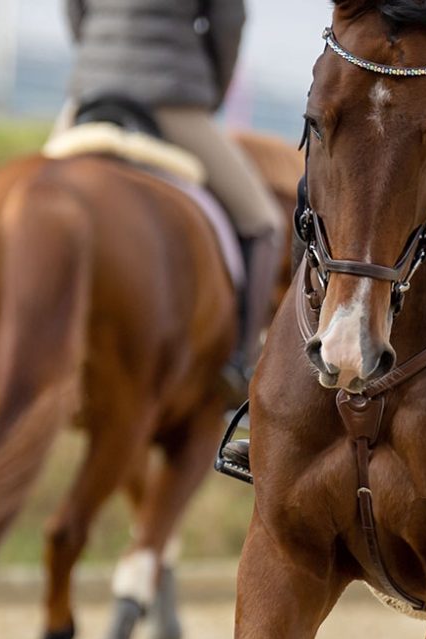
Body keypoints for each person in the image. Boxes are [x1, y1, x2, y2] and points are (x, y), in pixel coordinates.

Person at [65, 0, 282, 388]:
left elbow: (74, 11)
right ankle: (239, 363)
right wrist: (210, 91)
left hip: (89, 96)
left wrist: (98, 59)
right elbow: (228, 23)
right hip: (170, 97)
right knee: (264, 223)